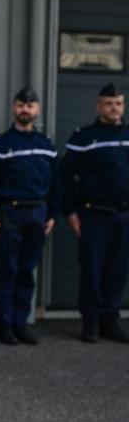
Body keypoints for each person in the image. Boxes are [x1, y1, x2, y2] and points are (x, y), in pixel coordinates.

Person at [0, 86, 58, 345]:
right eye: (21, 105)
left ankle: (21, 324)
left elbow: (56, 184)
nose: (26, 110)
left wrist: (52, 214)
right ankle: (5, 325)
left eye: (30, 106)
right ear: (14, 108)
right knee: (9, 269)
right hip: (11, 212)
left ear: (37, 110)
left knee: (27, 270)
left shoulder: (46, 145)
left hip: (38, 212)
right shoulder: (1, 144)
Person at [60, 82, 129, 343]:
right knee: (92, 268)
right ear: (98, 106)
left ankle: (110, 319)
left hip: (124, 215)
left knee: (118, 269)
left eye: (119, 103)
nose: (114, 108)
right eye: (109, 103)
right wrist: (70, 212)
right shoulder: (84, 137)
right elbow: (66, 178)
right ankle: (90, 322)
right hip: (94, 215)